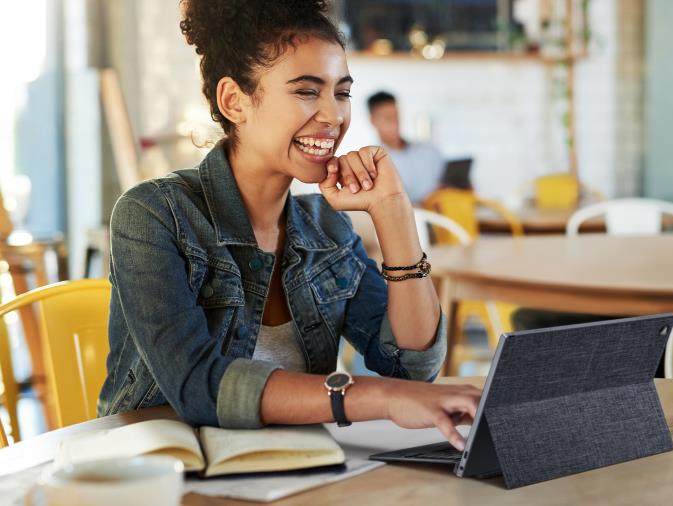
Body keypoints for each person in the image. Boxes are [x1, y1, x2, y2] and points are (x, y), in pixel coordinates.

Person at [97, 0, 480, 451]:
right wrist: (375, 396)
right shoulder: (155, 215)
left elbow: (411, 368)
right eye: (306, 91)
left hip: (293, 464)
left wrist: (394, 211)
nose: (334, 116)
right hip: (160, 471)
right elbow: (197, 385)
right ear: (234, 101)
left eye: (341, 92)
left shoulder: (328, 229)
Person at [367, 91, 444, 204]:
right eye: (387, 118)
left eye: (396, 116)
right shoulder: (372, 163)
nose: (395, 123)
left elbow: (446, 181)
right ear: (373, 121)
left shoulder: (430, 151)